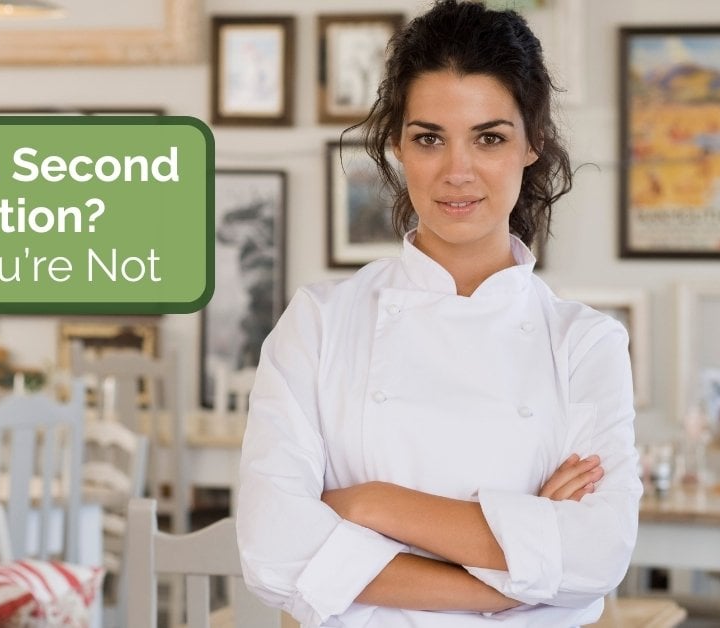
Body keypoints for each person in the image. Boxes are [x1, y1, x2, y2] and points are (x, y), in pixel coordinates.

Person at [235, 2, 642, 627]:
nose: (457, 172)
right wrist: (514, 582)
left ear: (533, 143)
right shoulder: (319, 322)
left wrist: (373, 504)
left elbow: (597, 556)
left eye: (489, 137)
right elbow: (272, 551)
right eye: (429, 138)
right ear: (397, 144)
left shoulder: (585, 343)